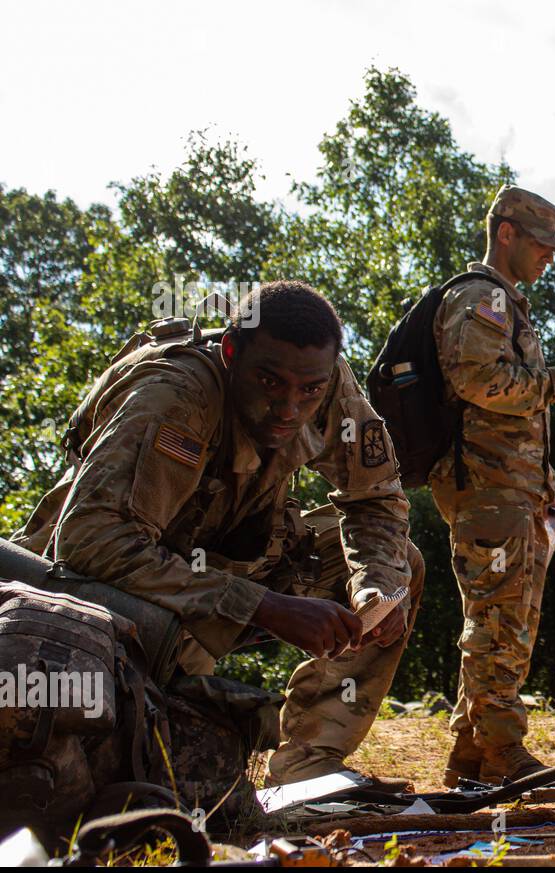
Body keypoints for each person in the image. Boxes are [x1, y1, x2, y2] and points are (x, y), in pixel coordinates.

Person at [13, 280, 423, 787]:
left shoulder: (329, 383)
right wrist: (262, 606)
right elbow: (89, 540)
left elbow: (376, 498)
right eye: (270, 383)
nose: (290, 409)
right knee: (151, 772)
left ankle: (309, 767)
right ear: (232, 352)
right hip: (108, 591)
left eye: (308, 391)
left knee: (401, 561)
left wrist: (377, 586)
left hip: (222, 567)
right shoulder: (176, 395)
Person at [430, 185, 555, 785]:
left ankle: (469, 759)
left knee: (500, 622)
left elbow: (523, 424)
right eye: (541, 244)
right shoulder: (483, 299)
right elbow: (480, 382)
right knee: (497, 625)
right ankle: (504, 753)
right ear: (505, 232)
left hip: (513, 492)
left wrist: (547, 498)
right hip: (488, 491)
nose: (549, 258)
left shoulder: (507, 305)